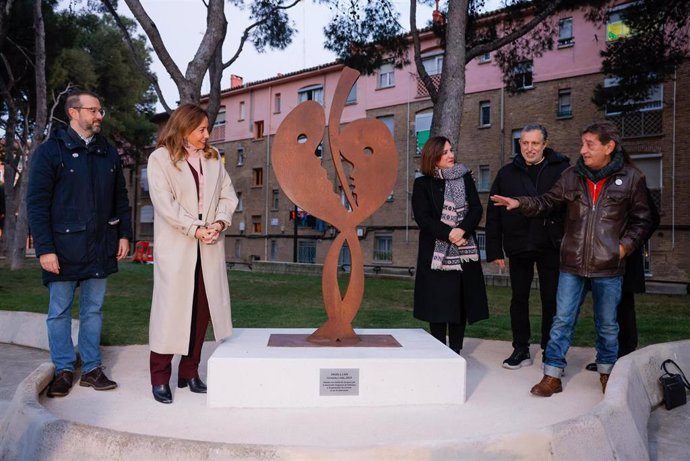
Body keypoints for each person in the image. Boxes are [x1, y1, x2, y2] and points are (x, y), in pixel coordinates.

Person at [491, 121, 652, 396]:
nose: (583, 150)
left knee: (608, 323)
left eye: (589, 144)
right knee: (562, 319)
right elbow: (546, 201)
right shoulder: (571, 175)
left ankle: (607, 374)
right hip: (572, 263)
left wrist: (623, 247)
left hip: (608, 265)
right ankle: (552, 375)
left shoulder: (632, 178)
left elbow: (643, 219)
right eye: (582, 144)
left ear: (608, 147)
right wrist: (520, 203)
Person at [27, 90, 132, 398]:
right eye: (93, 110)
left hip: (100, 245)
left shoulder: (107, 152)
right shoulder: (50, 152)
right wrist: (45, 248)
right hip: (61, 249)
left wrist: (124, 234)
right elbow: (36, 203)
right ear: (74, 113)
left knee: (93, 310)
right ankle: (62, 370)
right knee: (59, 311)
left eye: (101, 111)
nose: (100, 116)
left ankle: (91, 369)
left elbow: (120, 198)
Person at [147, 103, 238, 404]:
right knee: (170, 311)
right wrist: (195, 228)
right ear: (184, 128)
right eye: (201, 129)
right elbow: (164, 204)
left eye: (207, 129)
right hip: (178, 247)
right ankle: (160, 377)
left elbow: (228, 195)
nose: (207, 135)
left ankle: (189, 371)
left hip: (209, 246)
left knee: (201, 313)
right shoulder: (160, 159)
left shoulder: (213, 160)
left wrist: (220, 222)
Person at [486, 124, 569, 369]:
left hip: (551, 245)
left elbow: (570, 208)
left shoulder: (562, 170)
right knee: (518, 299)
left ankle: (550, 351)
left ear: (545, 144)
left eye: (534, 143)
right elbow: (493, 213)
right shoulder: (506, 173)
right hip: (518, 243)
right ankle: (520, 349)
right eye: (524, 143)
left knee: (551, 300)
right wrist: (494, 249)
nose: (529, 148)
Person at [412, 136, 489, 354]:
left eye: (451, 150)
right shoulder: (422, 183)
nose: (451, 155)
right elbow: (423, 218)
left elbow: (476, 209)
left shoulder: (464, 178)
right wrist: (450, 234)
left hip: (463, 255)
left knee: (458, 306)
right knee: (437, 307)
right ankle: (438, 352)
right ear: (433, 156)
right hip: (436, 257)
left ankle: (456, 351)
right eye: (445, 152)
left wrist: (462, 230)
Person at [585, 188, 660, 370]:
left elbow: (651, 219)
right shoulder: (596, 182)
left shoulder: (632, 181)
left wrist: (628, 244)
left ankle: (625, 358)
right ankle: (606, 358)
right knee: (603, 308)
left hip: (624, 258)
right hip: (599, 258)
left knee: (624, 307)